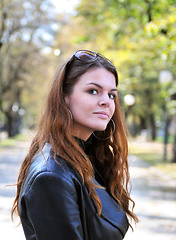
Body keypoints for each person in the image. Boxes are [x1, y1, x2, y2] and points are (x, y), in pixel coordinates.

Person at [11, 50, 138, 239]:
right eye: (93, 91)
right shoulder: (52, 175)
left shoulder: (86, 158)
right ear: (64, 97)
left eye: (112, 95)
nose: (106, 101)